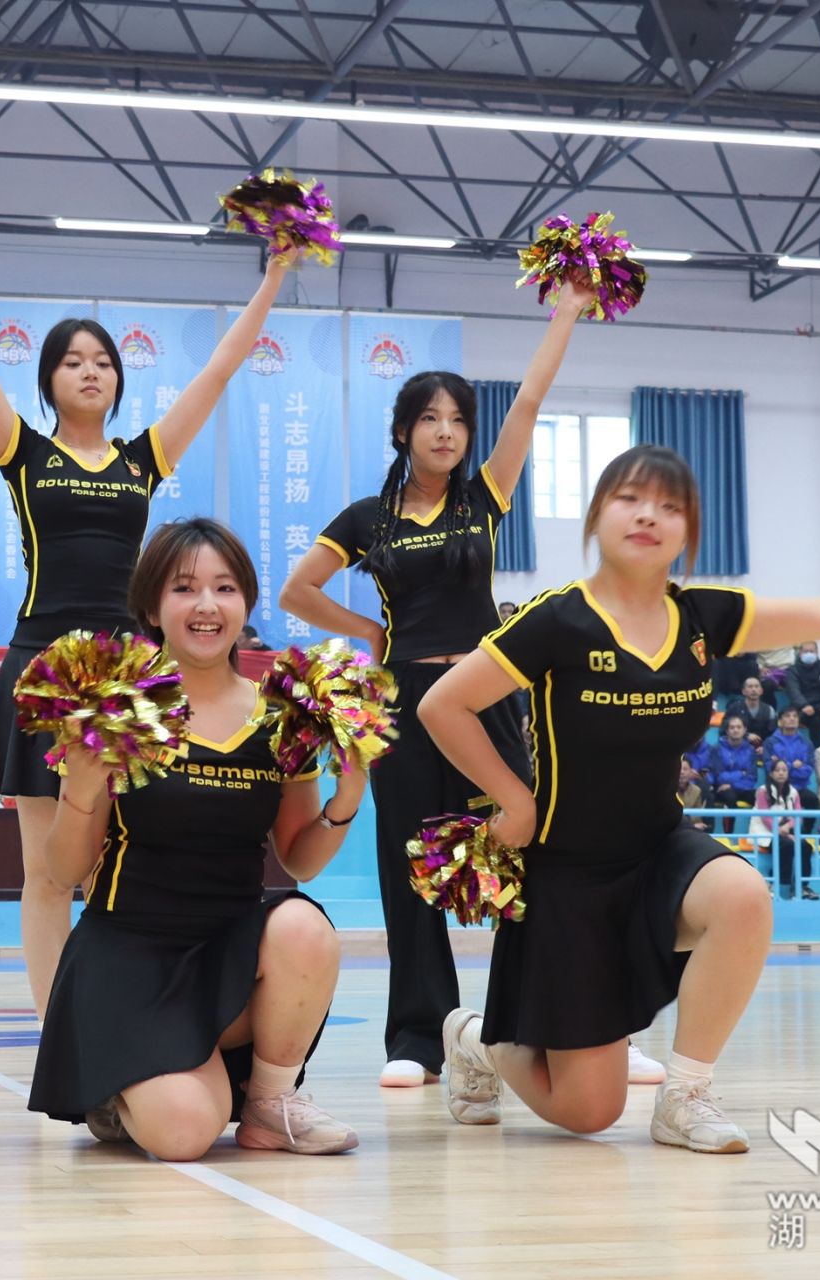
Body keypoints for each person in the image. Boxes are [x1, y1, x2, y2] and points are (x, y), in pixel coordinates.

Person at [414, 443, 820, 1154]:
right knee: (589, 1111)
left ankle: (685, 1095)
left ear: (689, 531)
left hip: (659, 849)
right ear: (596, 514)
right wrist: (515, 803)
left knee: (743, 895)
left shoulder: (702, 616)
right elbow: (443, 704)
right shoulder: (557, 619)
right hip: (568, 875)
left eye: (670, 506)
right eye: (630, 498)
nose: (648, 515)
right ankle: (475, 1039)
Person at [0, 215, 295, 1021]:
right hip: (43, 670)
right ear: (49, 380)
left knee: (121, 858)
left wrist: (275, 274)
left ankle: (126, 1011)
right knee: (45, 871)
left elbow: (219, 370)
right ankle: (56, 1029)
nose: (90, 371)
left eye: (103, 361)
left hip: (134, 678)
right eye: (72, 361)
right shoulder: (23, 452)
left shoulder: (143, 458)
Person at [278, 284, 592, 1090]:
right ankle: (420, 1037)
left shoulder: (484, 499)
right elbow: (296, 590)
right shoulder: (366, 518)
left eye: (457, 419)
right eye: (430, 418)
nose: (446, 430)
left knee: (525, 851)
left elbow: (529, 402)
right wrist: (368, 631)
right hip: (405, 711)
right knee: (406, 863)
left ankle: (542, 1026)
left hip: (488, 701)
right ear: (403, 432)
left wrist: (567, 310)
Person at [28, 519, 362, 1158]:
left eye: (225, 588)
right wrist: (82, 791)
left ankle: (269, 1103)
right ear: (152, 608)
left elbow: (300, 859)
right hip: (128, 956)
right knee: (182, 1136)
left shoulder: (282, 715)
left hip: (229, 958)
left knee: (303, 926)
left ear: (245, 605)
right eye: (184, 588)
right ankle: (123, 1088)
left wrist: (347, 801)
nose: (207, 604)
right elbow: (65, 870)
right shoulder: (116, 708)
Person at [750, 757, 817, 901]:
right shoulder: (762, 791)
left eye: (784, 770)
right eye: (777, 770)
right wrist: (780, 831)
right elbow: (765, 817)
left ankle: (802, 887)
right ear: (771, 773)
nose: (781, 773)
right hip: (765, 831)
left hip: (787, 831)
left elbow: (798, 816)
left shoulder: (793, 792)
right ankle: (777, 884)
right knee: (786, 845)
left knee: (806, 846)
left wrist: (787, 827)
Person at [698, 714, 758, 830]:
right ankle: (729, 834)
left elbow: (752, 777)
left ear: (745, 730)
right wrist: (741, 773)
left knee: (763, 796)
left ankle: (760, 833)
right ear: (727, 731)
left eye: (739, 727)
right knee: (730, 797)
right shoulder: (717, 749)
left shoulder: (750, 750)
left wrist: (732, 784)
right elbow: (720, 777)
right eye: (732, 727)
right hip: (721, 789)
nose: (735, 730)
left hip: (741, 788)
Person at [781, 641, 820, 744]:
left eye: (811, 651)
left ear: (817, 652)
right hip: (803, 708)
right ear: (800, 653)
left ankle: (817, 712)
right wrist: (804, 705)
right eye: (806, 651)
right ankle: (817, 749)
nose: (809, 654)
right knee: (816, 720)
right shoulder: (793, 670)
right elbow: (793, 691)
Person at [759, 707, 815, 810]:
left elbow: (807, 771)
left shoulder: (807, 743)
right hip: (776, 787)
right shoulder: (770, 742)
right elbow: (770, 768)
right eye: (788, 716)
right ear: (780, 722)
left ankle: (805, 823)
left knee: (813, 800)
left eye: (795, 716)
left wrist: (782, 766)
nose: (792, 719)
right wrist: (793, 765)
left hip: (799, 787)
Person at [724, 676, 775, 744]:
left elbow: (772, 734)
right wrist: (745, 735)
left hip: (762, 747)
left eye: (756, 686)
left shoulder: (769, 710)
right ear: (743, 691)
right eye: (750, 687)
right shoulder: (734, 708)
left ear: (761, 691)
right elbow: (724, 730)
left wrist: (764, 747)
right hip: (738, 746)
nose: (754, 689)